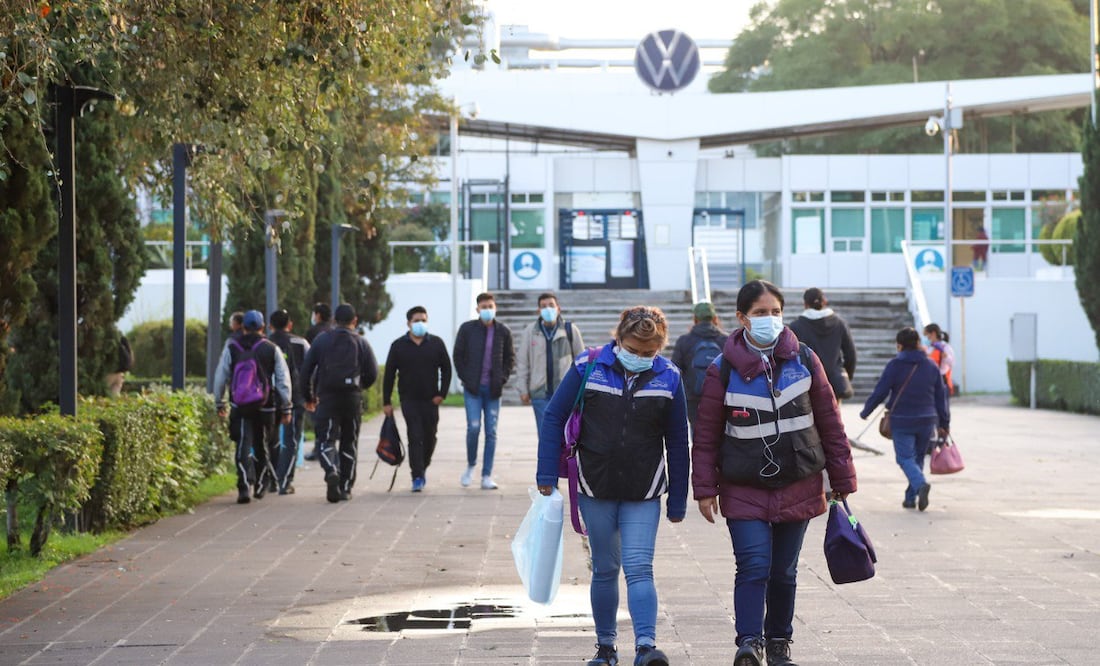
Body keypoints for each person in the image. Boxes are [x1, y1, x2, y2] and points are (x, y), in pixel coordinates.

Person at [692, 280, 857, 666]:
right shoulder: (722, 369)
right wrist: (704, 488)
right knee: (752, 565)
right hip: (742, 485)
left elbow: (830, 420)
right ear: (742, 317)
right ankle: (749, 642)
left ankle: (779, 642)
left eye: (776, 312)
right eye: (761, 313)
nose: (770, 320)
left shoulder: (805, 358)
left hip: (799, 482)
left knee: (783, 572)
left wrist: (842, 479)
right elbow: (706, 434)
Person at [536, 305, 688, 666]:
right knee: (605, 569)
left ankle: (646, 648)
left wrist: (678, 499)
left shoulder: (670, 377)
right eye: (633, 349)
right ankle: (605, 648)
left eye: (649, 353)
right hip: (594, 487)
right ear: (618, 339)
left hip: (644, 491)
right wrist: (546, 475)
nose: (640, 357)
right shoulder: (587, 367)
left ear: (660, 348)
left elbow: (679, 441)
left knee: (639, 567)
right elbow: (554, 415)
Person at [862, 327, 950, 512]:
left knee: (904, 458)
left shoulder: (895, 365)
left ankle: (920, 484)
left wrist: (866, 411)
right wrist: (944, 423)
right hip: (927, 420)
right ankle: (910, 498)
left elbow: (881, 390)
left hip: (902, 420)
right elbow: (941, 397)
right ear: (918, 343)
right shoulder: (930, 365)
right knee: (917, 458)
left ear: (900, 345)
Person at [301, 303, 379, 503]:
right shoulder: (361, 342)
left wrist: (309, 396)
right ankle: (345, 487)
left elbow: (306, 370)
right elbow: (372, 373)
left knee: (325, 440)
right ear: (355, 321)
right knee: (349, 442)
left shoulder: (322, 340)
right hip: (351, 400)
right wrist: (359, 386)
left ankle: (331, 469)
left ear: (334, 320)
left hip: (327, 398)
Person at [212, 310, 292, 504]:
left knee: (243, 444)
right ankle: (261, 483)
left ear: (243, 327)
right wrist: (287, 406)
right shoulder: (271, 348)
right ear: (263, 327)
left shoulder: (233, 347)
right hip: (265, 404)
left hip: (240, 404)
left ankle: (243, 486)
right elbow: (282, 379)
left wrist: (219, 401)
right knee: (262, 444)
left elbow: (220, 376)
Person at [382, 306, 453, 492]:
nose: (420, 323)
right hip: (409, 400)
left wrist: (442, 394)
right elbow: (389, 375)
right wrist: (386, 401)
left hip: (431, 400)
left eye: (423, 320)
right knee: (415, 436)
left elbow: (447, 368)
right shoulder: (398, 346)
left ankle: (423, 465)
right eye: (416, 320)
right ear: (408, 323)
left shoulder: (436, 343)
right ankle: (417, 475)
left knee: (430, 437)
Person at [453, 292, 515, 490]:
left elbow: (509, 358)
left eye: (490, 306)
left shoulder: (503, 331)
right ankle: (471, 465)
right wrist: (466, 379)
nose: (487, 310)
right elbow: (458, 356)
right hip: (473, 389)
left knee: (491, 432)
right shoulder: (467, 329)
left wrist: (502, 379)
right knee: (473, 428)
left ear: (495, 307)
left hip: (493, 390)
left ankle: (486, 475)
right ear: (477, 309)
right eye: (484, 307)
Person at [516, 292, 585, 432]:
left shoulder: (570, 330)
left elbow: (582, 361)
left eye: (551, 305)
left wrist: (582, 389)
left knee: (565, 434)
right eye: (543, 306)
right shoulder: (530, 332)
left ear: (558, 308)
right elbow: (523, 362)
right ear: (538, 310)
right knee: (545, 434)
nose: (548, 309)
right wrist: (523, 389)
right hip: (540, 393)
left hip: (565, 392)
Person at [788, 287, 857, 403]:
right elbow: (851, 355)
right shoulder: (839, 323)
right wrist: (845, 376)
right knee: (833, 418)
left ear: (805, 304)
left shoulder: (796, 326)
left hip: (808, 384)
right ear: (824, 301)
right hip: (834, 382)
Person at [268, 309, 310, 495]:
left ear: (270, 326)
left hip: (267, 399)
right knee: (291, 440)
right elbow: (311, 370)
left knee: (269, 439)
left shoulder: (265, 344)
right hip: (294, 399)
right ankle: (285, 481)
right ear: (290, 324)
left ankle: (270, 480)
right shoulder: (301, 343)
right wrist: (311, 396)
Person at [670, 301, 727, 429]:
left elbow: (675, 370)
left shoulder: (684, 341)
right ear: (714, 318)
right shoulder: (725, 340)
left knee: (697, 431)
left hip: (693, 397)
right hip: (720, 396)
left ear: (695, 319)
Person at [303, 302, 335, 461]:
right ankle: (331, 448)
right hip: (332, 381)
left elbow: (308, 360)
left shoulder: (313, 332)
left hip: (317, 381)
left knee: (317, 417)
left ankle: (319, 447)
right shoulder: (333, 332)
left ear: (318, 315)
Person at [923, 323, 956, 396]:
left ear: (933, 333)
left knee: (942, 405)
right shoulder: (930, 347)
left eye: (927, 335)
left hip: (942, 379)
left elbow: (952, 363)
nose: (927, 338)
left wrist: (945, 356)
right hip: (931, 380)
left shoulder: (945, 347)